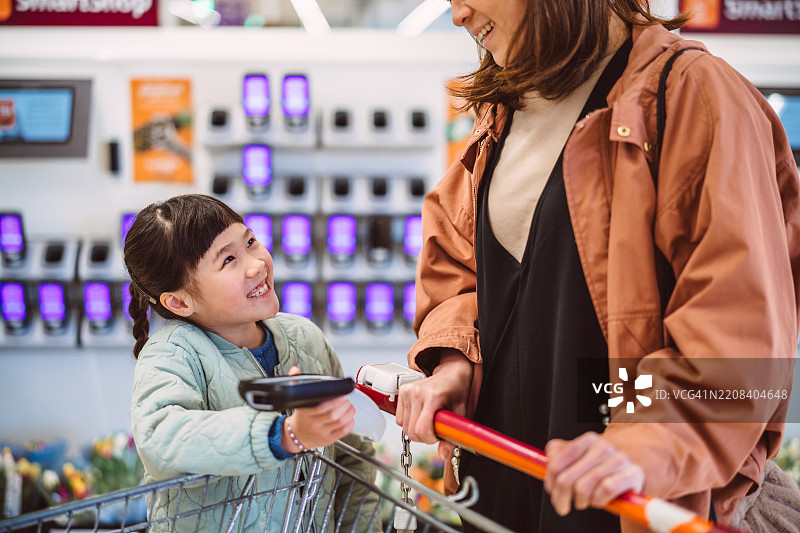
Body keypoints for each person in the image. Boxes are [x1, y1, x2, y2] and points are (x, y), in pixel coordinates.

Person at [396, 1, 800, 532]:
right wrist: (455, 363)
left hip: (631, 504)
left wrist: (648, 441)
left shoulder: (693, 95)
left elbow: (739, 339)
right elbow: (465, 269)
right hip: (499, 491)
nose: (459, 13)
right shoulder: (505, 110)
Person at [125, 194, 380, 532]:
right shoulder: (171, 353)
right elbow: (162, 440)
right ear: (179, 301)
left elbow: (352, 460)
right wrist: (284, 435)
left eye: (250, 241)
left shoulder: (305, 338)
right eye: (229, 259)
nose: (257, 263)